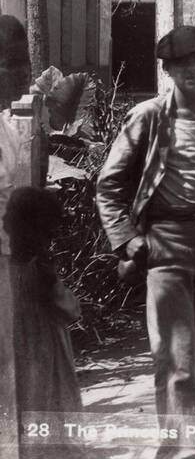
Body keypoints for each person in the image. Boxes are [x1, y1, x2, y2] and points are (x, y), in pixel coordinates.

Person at [96, 25, 195, 459]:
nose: (192, 70)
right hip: (167, 241)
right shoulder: (149, 117)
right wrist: (127, 240)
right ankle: (179, 450)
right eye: (181, 64)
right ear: (169, 72)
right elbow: (109, 184)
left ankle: (192, 441)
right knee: (175, 355)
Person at [5, 186, 84, 455]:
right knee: (49, 404)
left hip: (13, 354)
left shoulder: (6, 271)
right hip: (45, 354)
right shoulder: (40, 270)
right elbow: (71, 309)